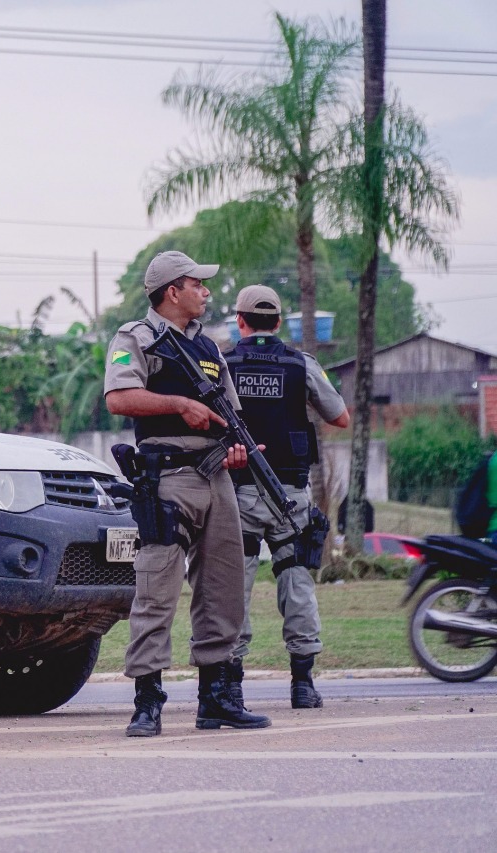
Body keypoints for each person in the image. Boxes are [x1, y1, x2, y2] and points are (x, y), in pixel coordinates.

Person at [104, 250, 272, 737]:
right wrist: (179, 404)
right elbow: (118, 398)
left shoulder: (212, 350)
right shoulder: (136, 338)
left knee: (224, 586)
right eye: (198, 284)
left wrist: (240, 449)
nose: (207, 291)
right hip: (168, 476)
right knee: (156, 588)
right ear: (172, 290)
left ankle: (217, 698)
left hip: (217, 475)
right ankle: (147, 700)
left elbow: (231, 418)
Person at [225, 285, 350, 710]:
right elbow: (341, 416)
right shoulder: (302, 365)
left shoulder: (221, 365)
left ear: (239, 320)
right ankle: (302, 685)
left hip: (237, 492)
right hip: (290, 494)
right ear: (279, 322)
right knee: (296, 583)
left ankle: (232, 687)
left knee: (233, 588)